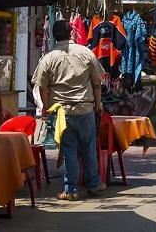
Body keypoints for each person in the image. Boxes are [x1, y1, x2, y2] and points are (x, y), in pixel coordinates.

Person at [32, 20, 106, 200]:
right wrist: (98, 104)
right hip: (85, 108)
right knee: (88, 148)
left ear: (55, 36)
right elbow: (97, 82)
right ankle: (94, 184)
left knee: (69, 150)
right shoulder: (86, 52)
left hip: (62, 112)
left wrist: (47, 106)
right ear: (71, 33)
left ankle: (71, 189)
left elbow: (42, 86)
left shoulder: (48, 58)